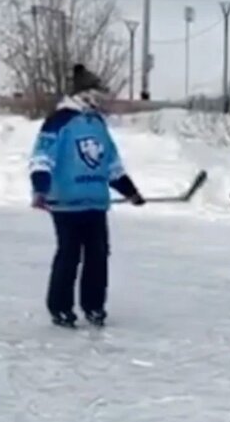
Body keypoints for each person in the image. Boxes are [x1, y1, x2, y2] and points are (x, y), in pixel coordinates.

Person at [28, 64, 146, 329]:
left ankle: (94, 306)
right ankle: (60, 308)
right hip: (66, 204)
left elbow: (111, 165)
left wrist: (130, 191)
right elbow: (41, 158)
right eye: (96, 93)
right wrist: (40, 189)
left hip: (95, 203)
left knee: (98, 256)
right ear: (83, 94)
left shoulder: (97, 123)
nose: (101, 99)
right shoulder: (59, 120)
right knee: (69, 255)